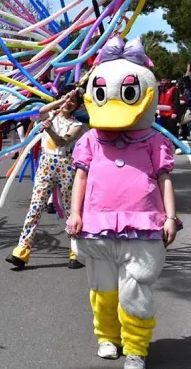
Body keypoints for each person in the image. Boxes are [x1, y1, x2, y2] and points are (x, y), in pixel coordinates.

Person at [67, 36, 180, 369]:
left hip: (143, 224)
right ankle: (106, 336)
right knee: (102, 289)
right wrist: (75, 213)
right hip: (97, 223)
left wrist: (170, 217)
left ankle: (135, 347)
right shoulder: (90, 139)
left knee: (136, 290)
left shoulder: (155, 139)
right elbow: (81, 178)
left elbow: (164, 179)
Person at [6, 88, 85, 270]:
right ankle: (21, 251)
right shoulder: (50, 114)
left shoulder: (77, 125)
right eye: (67, 99)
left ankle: (76, 252)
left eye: (74, 101)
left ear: (78, 106)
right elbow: (38, 112)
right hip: (45, 165)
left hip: (66, 165)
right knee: (35, 208)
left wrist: (50, 131)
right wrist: (60, 102)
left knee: (70, 210)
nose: (69, 103)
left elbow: (63, 142)